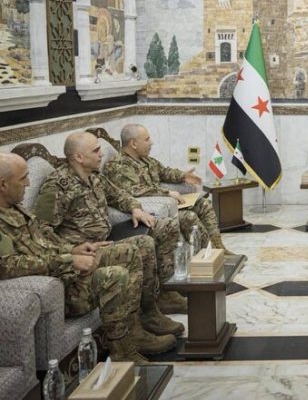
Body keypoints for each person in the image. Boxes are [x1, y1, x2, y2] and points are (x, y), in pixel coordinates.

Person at [0, 153, 175, 362]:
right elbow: (7, 265)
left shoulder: (16, 208)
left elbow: (45, 240)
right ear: (3, 184)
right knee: (114, 276)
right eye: (23, 178)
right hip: (55, 285)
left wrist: (74, 249)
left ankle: (139, 327)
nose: (28, 183)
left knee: (132, 250)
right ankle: (122, 353)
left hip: (66, 267)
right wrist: (68, 260)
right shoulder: (54, 187)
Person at [33, 131, 188, 319]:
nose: (101, 154)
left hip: (107, 237)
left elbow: (117, 194)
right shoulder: (57, 187)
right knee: (144, 244)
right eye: (96, 150)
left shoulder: (93, 175)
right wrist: (71, 249)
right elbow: (41, 231)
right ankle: (147, 314)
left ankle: (164, 295)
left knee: (165, 226)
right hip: (86, 250)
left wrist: (135, 208)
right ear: (79, 157)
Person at [103, 124, 232, 254]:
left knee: (204, 204)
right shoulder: (117, 166)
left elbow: (163, 171)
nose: (151, 142)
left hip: (167, 206)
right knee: (189, 217)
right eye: (147, 139)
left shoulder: (145, 159)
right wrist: (167, 193)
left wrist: (182, 176)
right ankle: (209, 255)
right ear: (134, 143)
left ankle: (219, 248)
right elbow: (135, 190)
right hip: (150, 211)